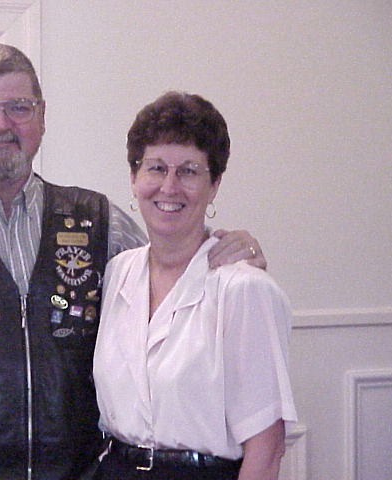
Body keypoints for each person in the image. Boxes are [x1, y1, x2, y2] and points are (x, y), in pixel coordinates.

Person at [0, 43, 266, 480]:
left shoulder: (99, 222)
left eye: (18, 107)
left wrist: (230, 249)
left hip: (79, 471)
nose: (2, 124)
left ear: (42, 117)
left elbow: (172, 271)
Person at [92, 91, 297, 480]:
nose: (169, 187)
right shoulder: (118, 272)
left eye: (188, 171)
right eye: (156, 168)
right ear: (134, 178)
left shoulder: (244, 290)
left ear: (214, 184)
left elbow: (266, 449)